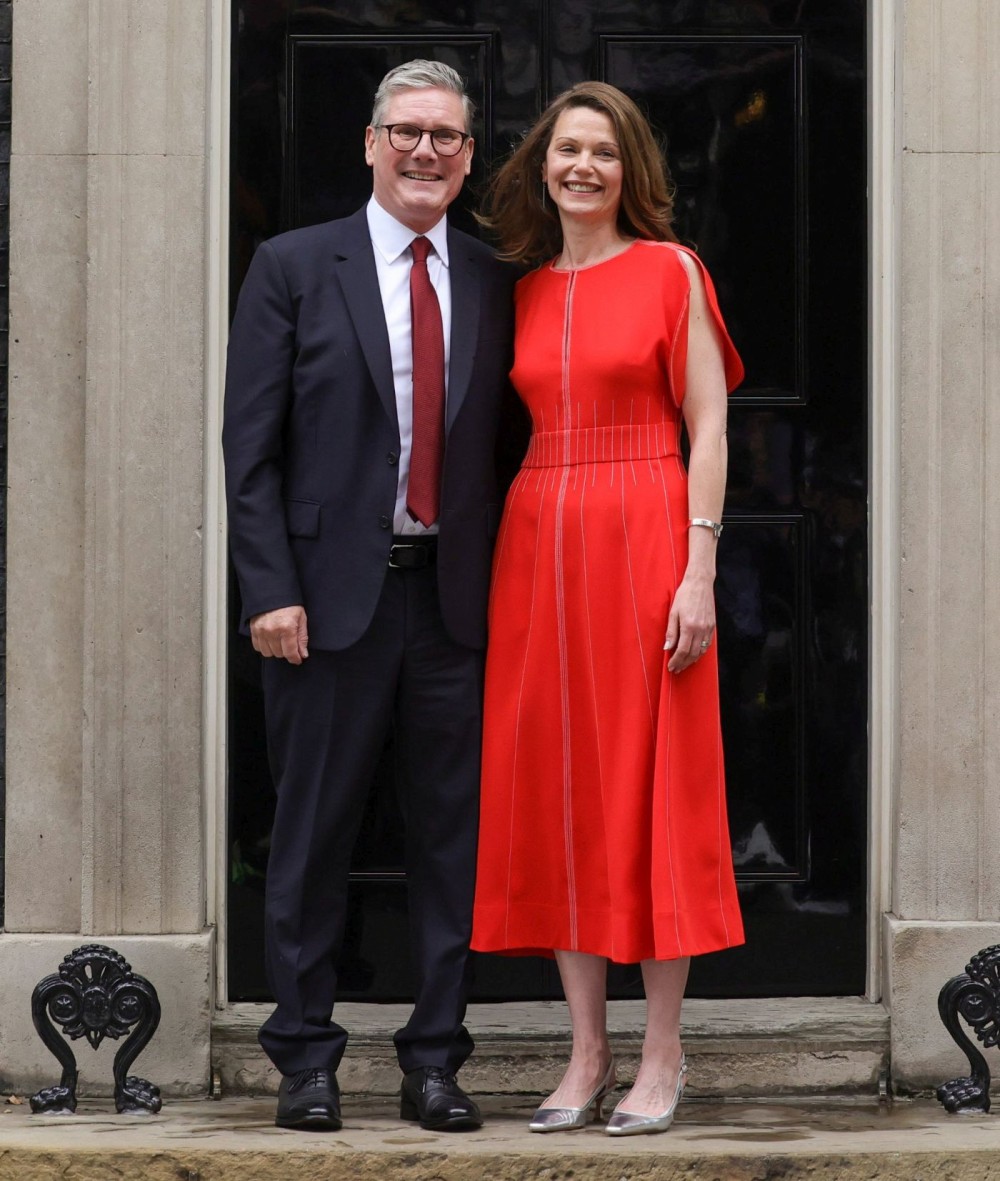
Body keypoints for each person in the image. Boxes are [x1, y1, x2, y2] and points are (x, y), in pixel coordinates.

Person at [222, 59, 515, 1133]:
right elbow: (248, 450)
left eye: (445, 135)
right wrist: (269, 588)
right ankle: (304, 1058)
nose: (425, 151)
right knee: (311, 837)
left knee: (453, 843)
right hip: (321, 609)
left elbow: (514, 451)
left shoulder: (494, 277)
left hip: (454, 609)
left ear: (469, 154)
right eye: (406, 131)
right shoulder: (294, 266)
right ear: (369, 142)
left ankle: (435, 1058)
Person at [470, 81, 745, 1136]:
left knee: (651, 785)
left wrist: (699, 569)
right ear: (542, 164)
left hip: (646, 532)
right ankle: (585, 1051)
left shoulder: (672, 270)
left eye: (603, 151)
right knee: (561, 788)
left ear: (631, 169)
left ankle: (661, 1047)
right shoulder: (523, 292)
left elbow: (708, 429)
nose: (582, 165)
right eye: (566, 149)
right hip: (539, 543)